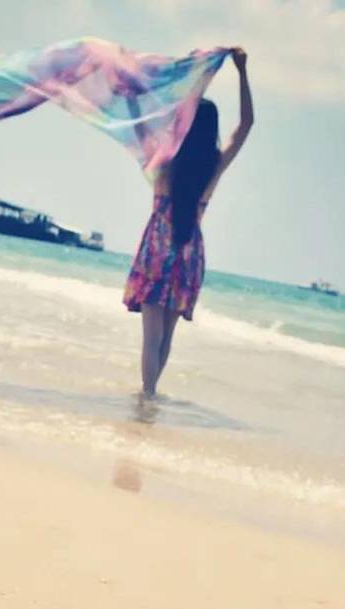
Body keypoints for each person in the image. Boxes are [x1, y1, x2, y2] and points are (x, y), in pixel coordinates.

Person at [123, 47, 254, 398]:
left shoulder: (164, 162)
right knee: (166, 337)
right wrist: (242, 72)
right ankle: (150, 397)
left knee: (151, 338)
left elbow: (138, 123)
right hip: (187, 253)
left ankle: (147, 397)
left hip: (156, 250)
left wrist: (132, 94)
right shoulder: (214, 166)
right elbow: (245, 126)